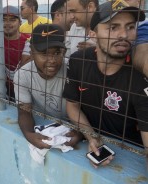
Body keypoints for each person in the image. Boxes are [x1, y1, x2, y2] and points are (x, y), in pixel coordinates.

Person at [63, 0, 148, 168]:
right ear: (92, 33)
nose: (124, 35)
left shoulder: (140, 78)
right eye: (113, 27)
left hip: (131, 155)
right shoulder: (78, 61)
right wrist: (91, 136)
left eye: (130, 27)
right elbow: (72, 105)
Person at [14, 24, 83, 150]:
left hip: (72, 127)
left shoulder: (73, 70)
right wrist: (29, 135)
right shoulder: (22, 75)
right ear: (31, 52)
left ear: (64, 51)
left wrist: (81, 133)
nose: (52, 60)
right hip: (46, 125)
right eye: (44, 54)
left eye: (57, 53)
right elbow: (24, 111)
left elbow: (86, 110)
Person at [3, 6, 30, 100]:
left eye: (12, 20)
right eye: (4, 19)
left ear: (20, 22)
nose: (7, 23)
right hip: (2, 89)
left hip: (26, 91)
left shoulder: (29, 41)